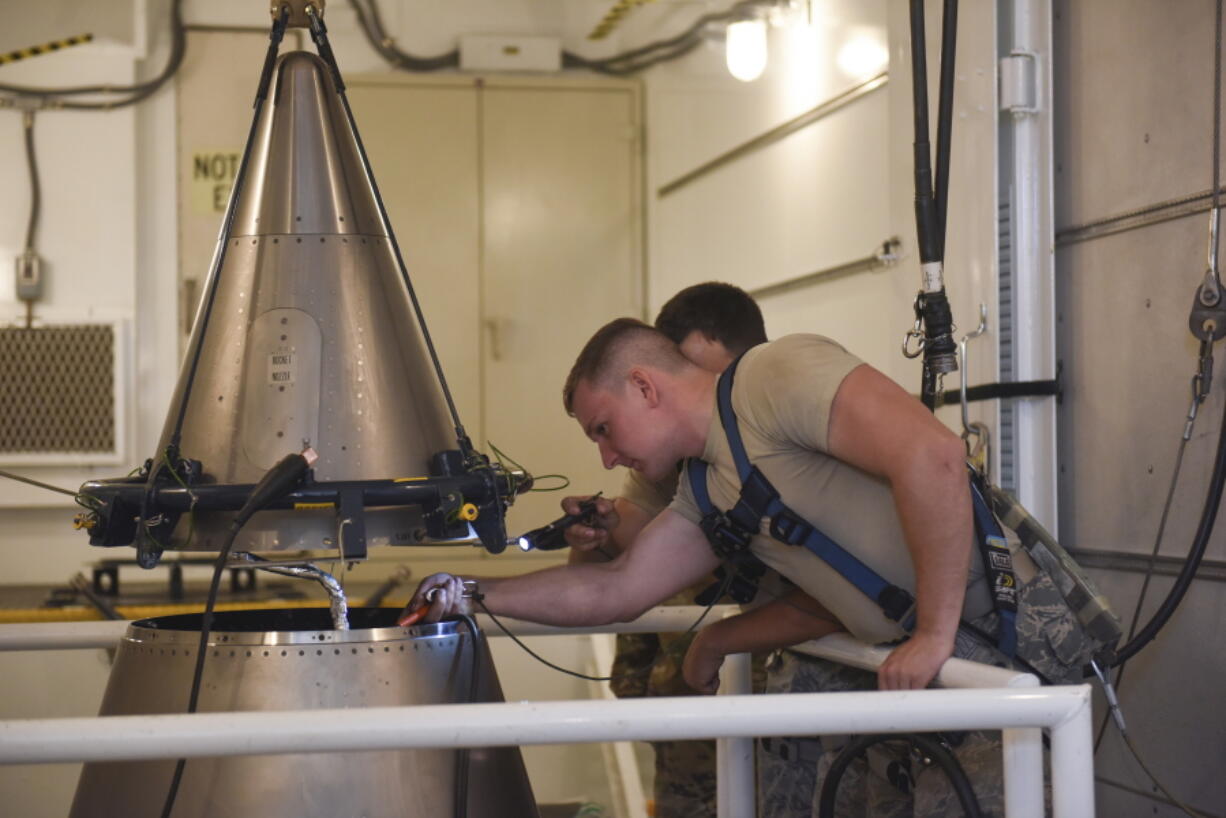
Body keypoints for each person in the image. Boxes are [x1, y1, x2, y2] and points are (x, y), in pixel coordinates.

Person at [408, 319, 1100, 816]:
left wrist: (934, 635)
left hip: (1005, 636)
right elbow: (617, 590)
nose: (606, 458)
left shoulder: (776, 375)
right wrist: (473, 593)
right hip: (932, 669)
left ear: (645, 387)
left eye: (604, 428)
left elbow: (935, 457)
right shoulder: (709, 489)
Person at [563, 282, 770, 817]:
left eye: (710, 378)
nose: (698, 394)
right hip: (692, 710)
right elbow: (634, 549)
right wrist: (599, 533)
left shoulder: (781, 424)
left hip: (775, 696)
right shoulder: (678, 459)